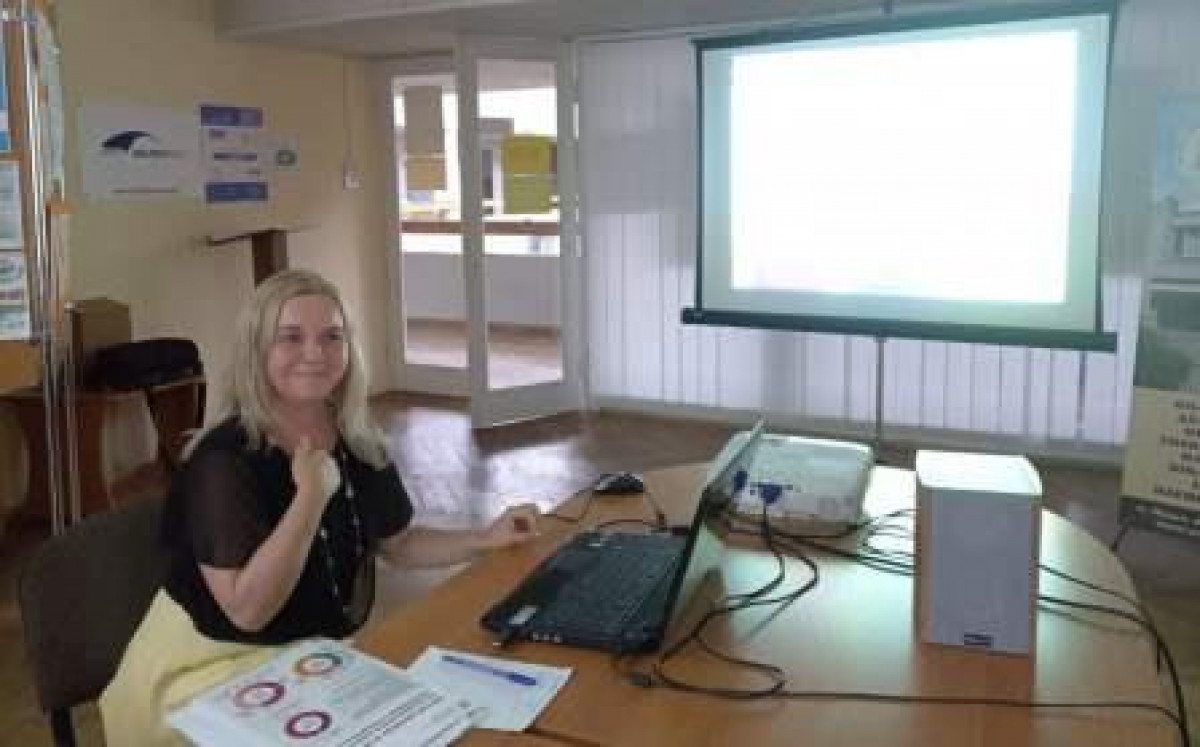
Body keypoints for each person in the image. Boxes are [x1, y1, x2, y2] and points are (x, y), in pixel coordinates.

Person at [99, 269, 539, 745]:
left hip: (306, 661)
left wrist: (484, 538)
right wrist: (309, 499)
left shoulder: (356, 436)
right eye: (291, 337)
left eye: (333, 336)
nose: (316, 353)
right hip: (208, 672)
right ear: (257, 351)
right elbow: (247, 612)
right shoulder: (222, 460)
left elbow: (399, 543)